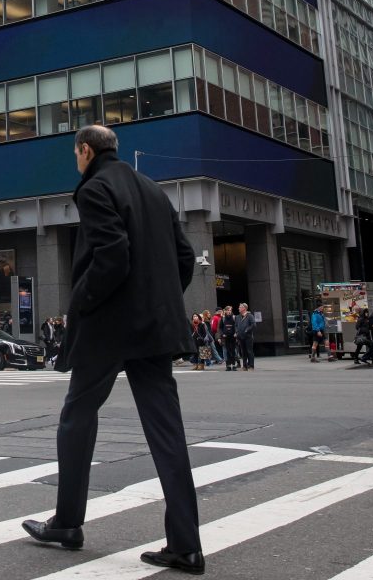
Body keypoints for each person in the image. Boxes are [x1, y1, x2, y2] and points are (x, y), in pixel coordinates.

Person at [22, 125, 204, 574]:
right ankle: (186, 546)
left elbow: (113, 255)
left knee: (77, 415)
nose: (76, 161)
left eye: (75, 154)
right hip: (155, 329)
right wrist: (157, 300)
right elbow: (184, 259)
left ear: (85, 151)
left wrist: (80, 302)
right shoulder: (152, 189)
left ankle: (67, 522)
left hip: (108, 328)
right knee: (167, 432)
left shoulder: (94, 188)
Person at [235, 303, 257, 371]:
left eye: (240, 307)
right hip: (240, 337)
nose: (239, 308)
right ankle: (244, 366)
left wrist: (247, 330)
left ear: (244, 308)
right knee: (243, 352)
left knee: (249, 351)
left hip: (248, 337)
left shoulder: (250, 316)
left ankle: (251, 366)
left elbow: (253, 325)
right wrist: (237, 332)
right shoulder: (238, 317)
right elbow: (235, 325)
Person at [219, 305, 238, 371]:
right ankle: (228, 365)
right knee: (227, 351)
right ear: (225, 311)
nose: (229, 311)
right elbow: (220, 327)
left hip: (233, 336)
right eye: (228, 310)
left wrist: (236, 333)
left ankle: (234, 365)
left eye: (230, 310)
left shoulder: (234, 317)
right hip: (226, 337)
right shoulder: (223, 318)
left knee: (233, 351)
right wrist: (222, 334)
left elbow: (236, 326)